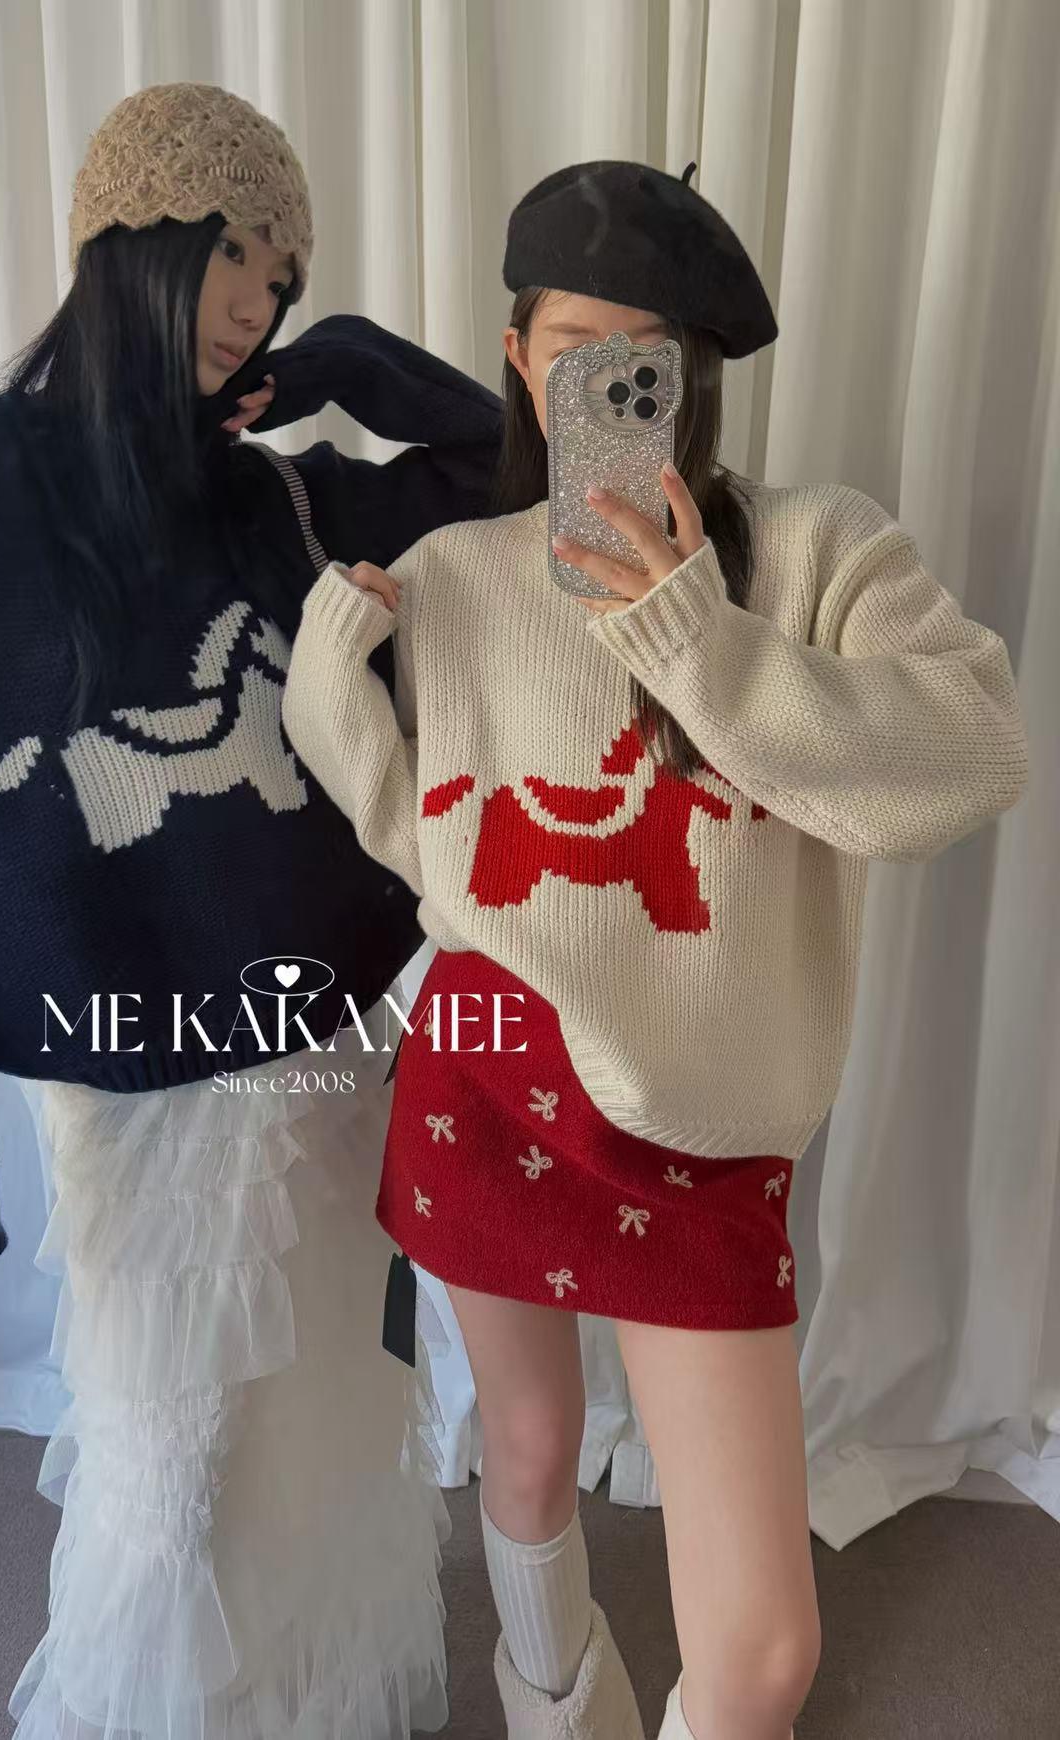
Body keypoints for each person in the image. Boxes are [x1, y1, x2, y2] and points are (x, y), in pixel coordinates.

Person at [280, 159, 1029, 1740]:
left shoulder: (819, 552)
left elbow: (972, 756)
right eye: (575, 353)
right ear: (518, 360)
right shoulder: (459, 576)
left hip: (702, 1123)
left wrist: (699, 637)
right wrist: (333, 694)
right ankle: (554, 1705)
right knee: (528, 1454)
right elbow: (437, 846)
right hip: (489, 1070)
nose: (612, 389)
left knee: (761, 1655)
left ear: (693, 375)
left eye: (648, 358)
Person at [0, 82, 503, 1740]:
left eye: (283, 278)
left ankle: (307, 1705)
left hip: (324, 1033)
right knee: (174, 1454)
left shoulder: (273, 494)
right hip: (121, 1060)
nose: (256, 302)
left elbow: (529, 480)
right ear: (132, 234)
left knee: (324, 1411)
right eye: (235, 251)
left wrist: (350, 364)